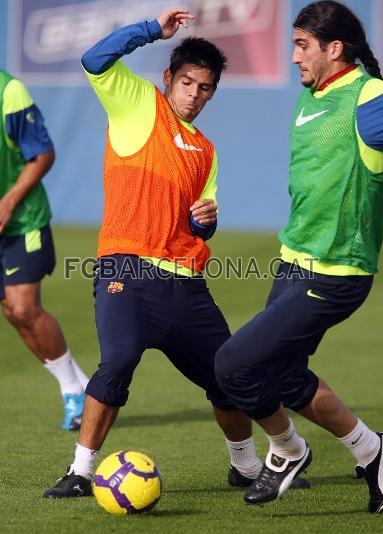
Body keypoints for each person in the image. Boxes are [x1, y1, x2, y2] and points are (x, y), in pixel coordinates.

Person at [43, 7, 275, 498]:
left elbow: (196, 222)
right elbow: (94, 58)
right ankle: (81, 472)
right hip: (125, 271)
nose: (195, 94)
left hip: (185, 284)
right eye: (188, 82)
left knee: (227, 376)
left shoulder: (206, 151)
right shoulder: (137, 103)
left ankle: (248, 465)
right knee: (119, 360)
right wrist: (153, 30)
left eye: (206, 87)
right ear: (169, 78)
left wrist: (205, 222)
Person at [215, 0, 383, 514]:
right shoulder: (312, 96)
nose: (293, 57)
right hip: (294, 262)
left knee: (233, 366)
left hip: (337, 270)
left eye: (302, 45)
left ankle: (287, 450)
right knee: (283, 376)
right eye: (292, 44)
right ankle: (372, 453)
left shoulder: (370, 95)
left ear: (335, 48)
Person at [0, 70, 88, 430]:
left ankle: (72, 390)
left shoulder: (10, 92)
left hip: (23, 221)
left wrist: (8, 202)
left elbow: (43, 155)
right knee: (12, 313)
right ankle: (80, 385)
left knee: (24, 307)